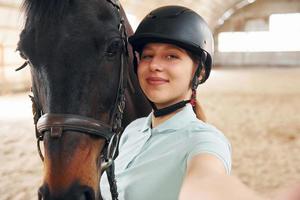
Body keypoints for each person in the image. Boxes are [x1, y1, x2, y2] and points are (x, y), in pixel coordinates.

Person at [100, 5, 299, 200]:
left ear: (200, 71)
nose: (155, 65)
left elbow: (207, 179)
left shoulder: (204, 140)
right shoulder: (132, 131)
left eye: (171, 56)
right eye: (147, 56)